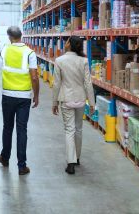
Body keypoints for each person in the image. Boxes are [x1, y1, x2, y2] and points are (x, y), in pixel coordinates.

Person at [0, 11, 39, 175]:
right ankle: (22, 166)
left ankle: (5, 157)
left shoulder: (5, 49)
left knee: (7, 127)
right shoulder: (30, 53)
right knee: (22, 130)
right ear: (21, 36)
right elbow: (34, 77)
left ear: (9, 37)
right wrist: (37, 95)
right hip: (24, 97)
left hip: (7, 96)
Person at [52, 36, 95, 175]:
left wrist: (54, 102)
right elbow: (88, 83)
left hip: (66, 99)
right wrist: (92, 102)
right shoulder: (83, 60)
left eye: (67, 41)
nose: (65, 43)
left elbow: (57, 83)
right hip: (81, 99)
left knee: (69, 130)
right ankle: (77, 158)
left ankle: (70, 163)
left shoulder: (59, 61)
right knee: (79, 129)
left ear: (70, 44)